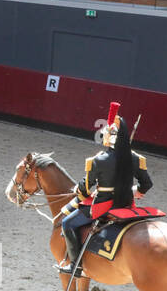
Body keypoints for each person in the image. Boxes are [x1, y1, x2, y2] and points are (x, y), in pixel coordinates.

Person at [58, 103, 154, 276]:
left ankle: (75, 266)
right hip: (126, 204)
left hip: (104, 206)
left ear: (108, 138)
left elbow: (86, 190)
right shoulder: (136, 159)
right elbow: (146, 184)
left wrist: (78, 189)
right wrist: (135, 191)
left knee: (67, 223)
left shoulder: (99, 160)